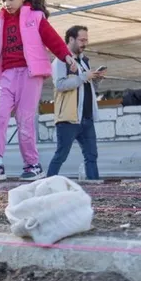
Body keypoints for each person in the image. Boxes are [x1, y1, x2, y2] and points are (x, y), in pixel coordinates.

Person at [0, 0, 77, 181]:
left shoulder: (35, 17)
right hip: (8, 74)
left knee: (24, 120)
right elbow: (2, 46)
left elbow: (51, 38)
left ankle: (32, 165)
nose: (6, 3)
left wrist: (66, 56)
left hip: (30, 73)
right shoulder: (2, 19)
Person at [49, 25, 104, 182]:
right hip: (68, 118)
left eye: (86, 40)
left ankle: (95, 189)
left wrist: (96, 80)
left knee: (92, 155)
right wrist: (83, 77)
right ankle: (47, 185)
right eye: (81, 40)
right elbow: (60, 85)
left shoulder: (84, 60)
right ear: (71, 39)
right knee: (61, 154)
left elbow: (87, 86)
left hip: (86, 117)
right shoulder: (61, 61)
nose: (84, 43)